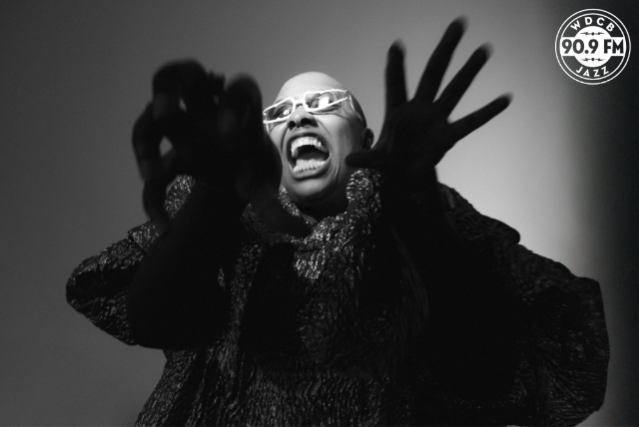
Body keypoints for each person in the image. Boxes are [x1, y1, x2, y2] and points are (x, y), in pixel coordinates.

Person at [66, 20, 609, 426]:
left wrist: (413, 202)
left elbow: (485, 368)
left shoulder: (428, 212)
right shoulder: (227, 216)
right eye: (279, 113)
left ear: (364, 137)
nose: (299, 115)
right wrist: (218, 189)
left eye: (323, 102)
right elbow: (154, 320)